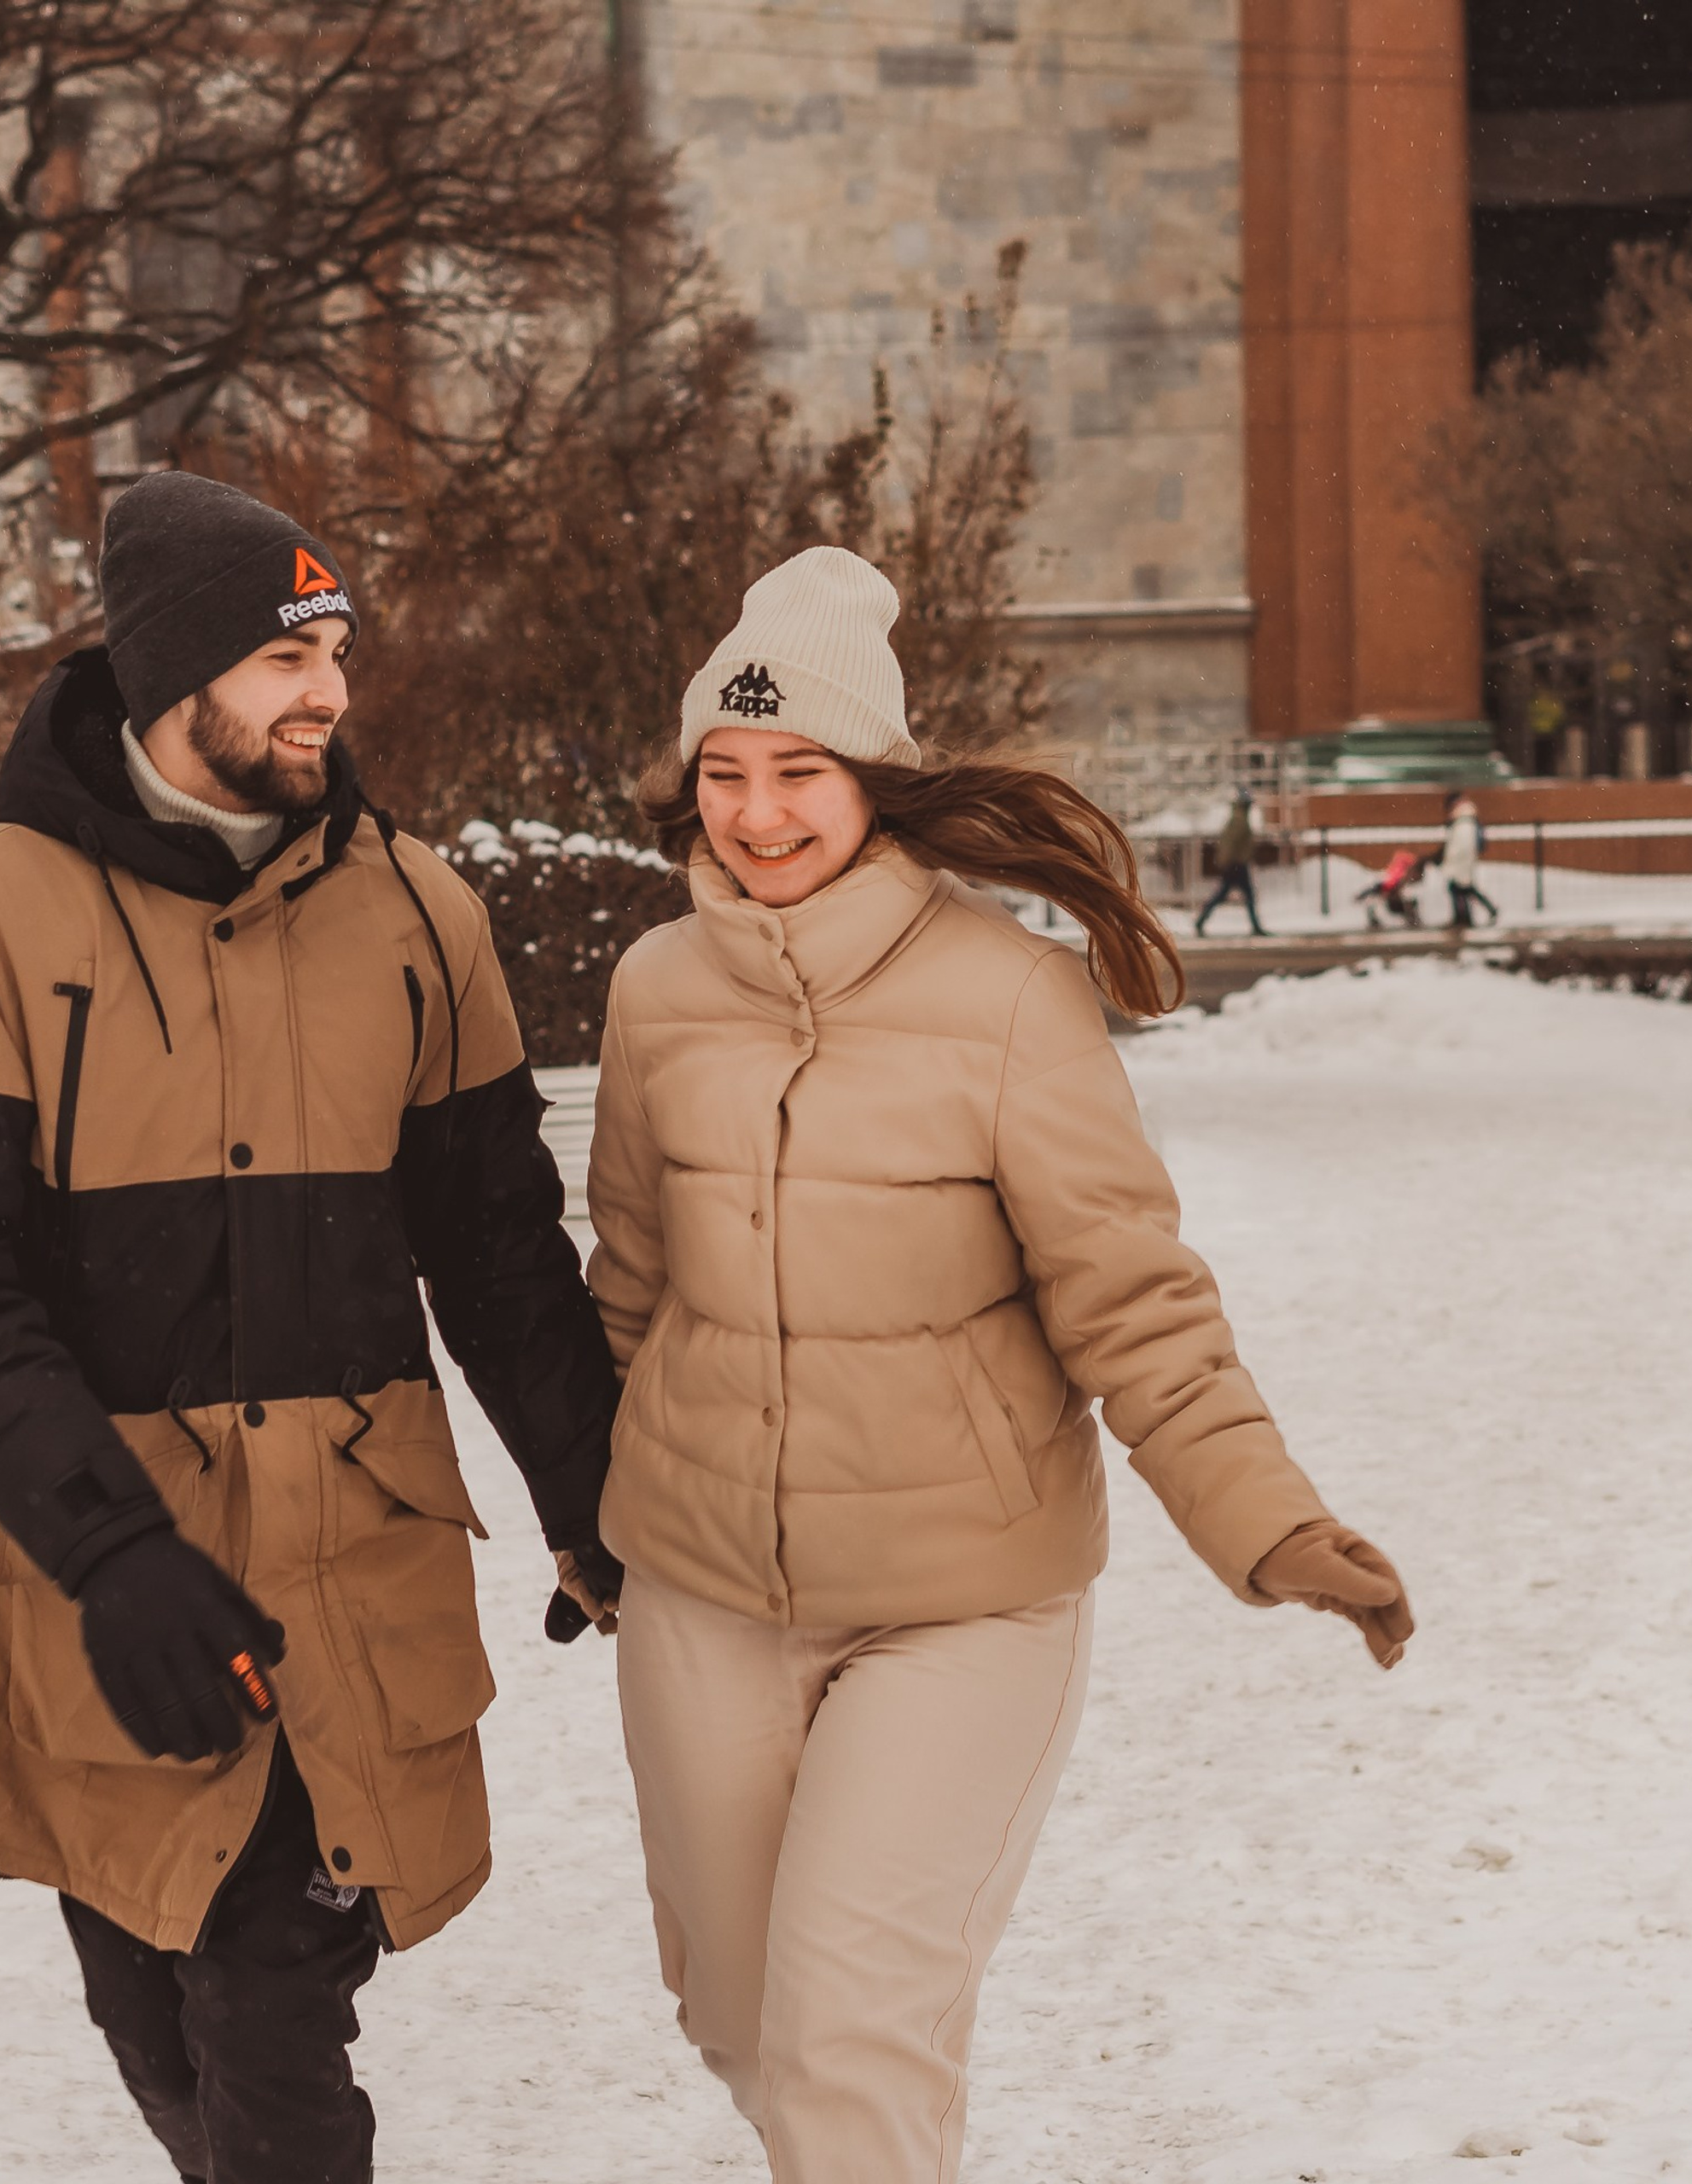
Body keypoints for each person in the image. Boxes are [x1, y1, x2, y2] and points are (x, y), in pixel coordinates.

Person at [580, 547, 1415, 2184]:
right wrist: (585, 1509)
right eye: (726, 776)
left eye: (798, 773)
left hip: (962, 1599)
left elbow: (1137, 1303)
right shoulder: (658, 989)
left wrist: (1269, 1520)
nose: (756, 815)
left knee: (843, 2044)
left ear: (875, 781)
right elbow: (631, 1283)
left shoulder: (1012, 998)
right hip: (701, 1592)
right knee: (743, 2020)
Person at [0, 471, 623, 2182]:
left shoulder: (420, 913)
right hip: (104, 1592)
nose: (329, 690)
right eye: (287, 654)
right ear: (170, 672)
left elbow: (497, 1245)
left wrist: (593, 1498)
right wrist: (111, 1550)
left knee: (272, 1998)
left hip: (344, 1579)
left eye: (335, 647)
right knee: (148, 2002)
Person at [1194, 787, 1267, 935]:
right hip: (1236, 864)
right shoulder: (1239, 820)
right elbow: (1230, 844)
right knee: (1245, 896)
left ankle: (1201, 921)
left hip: (1235, 863)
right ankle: (1255, 926)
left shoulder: (1238, 818)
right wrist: (1228, 861)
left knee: (1227, 895)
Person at [1439, 793, 1497, 928]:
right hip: (1461, 862)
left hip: (1460, 863)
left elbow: (1462, 845)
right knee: (1464, 889)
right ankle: (1467, 917)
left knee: (1459, 888)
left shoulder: (1464, 820)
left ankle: (1463, 918)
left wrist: (1452, 859)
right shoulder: (1465, 819)